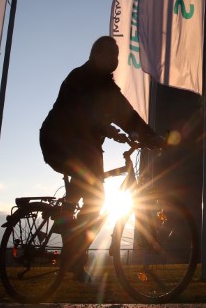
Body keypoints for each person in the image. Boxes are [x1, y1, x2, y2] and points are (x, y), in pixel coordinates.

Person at [39, 36, 163, 283]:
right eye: (110, 54)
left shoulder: (108, 88)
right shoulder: (80, 78)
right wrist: (106, 128)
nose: (115, 59)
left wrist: (151, 137)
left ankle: (73, 256)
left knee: (93, 200)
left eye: (117, 55)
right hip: (59, 141)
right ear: (95, 54)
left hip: (82, 147)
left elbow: (127, 114)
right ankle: (68, 224)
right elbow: (79, 112)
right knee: (96, 192)